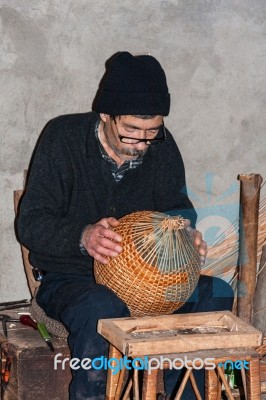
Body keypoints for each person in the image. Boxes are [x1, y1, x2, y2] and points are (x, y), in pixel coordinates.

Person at [17, 51, 234, 399]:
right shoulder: (62, 138)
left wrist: (187, 234)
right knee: (102, 308)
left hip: (150, 284)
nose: (141, 144)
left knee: (215, 293)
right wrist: (83, 236)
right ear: (105, 114)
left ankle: (182, 393)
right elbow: (31, 223)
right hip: (73, 278)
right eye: (131, 130)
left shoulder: (161, 148)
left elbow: (178, 209)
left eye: (152, 133)